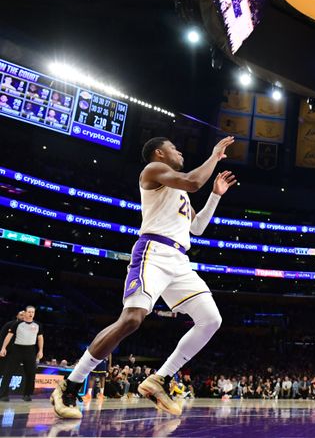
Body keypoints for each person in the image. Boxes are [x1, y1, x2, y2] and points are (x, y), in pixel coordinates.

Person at [51, 136, 236, 419]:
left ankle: (159, 379)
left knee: (212, 320)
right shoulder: (152, 171)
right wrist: (213, 155)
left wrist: (215, 195)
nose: (181, 149)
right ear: (160, 153)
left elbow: (197, 228)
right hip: (153, 251)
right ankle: (70, 384)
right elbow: (193, 181)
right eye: (175, 147)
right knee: (133, 318)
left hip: (179, 260)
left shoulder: (179, 191)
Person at [0, 306, 44, 402]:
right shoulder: (17, 324)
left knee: (31, 374)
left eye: (33, 312)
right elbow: (9, 336)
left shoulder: (38, 325)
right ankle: (3, 395)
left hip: (30, 350)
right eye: (29, 312)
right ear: (25, 313)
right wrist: (3, 348)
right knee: (8, 372)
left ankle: (27, 395)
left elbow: (40, 338)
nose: (31, 314)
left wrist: (40, 350)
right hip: (17, 350)